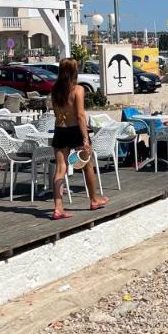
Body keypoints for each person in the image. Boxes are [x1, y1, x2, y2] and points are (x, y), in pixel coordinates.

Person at [49, 58, 106, 221]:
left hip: (60, 129)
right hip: (75, 130)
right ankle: (94, 199)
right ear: (74, 72)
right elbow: (81, 115)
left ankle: (58, 207)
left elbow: (55, 112)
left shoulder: (55, 90)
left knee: (60, 169)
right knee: (87, 165)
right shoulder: (78, 90)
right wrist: (85, 138)